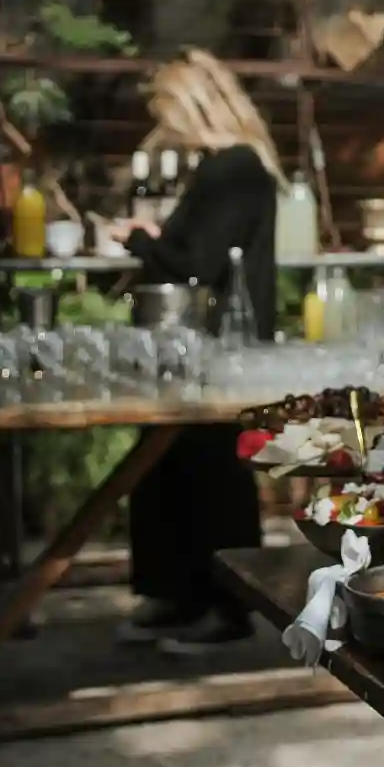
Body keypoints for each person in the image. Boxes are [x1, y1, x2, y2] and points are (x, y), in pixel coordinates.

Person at [108, 52, 279, 652]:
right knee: (169, 466)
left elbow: (198, 263)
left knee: (212, 473)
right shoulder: (226, 169)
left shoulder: (235, 170)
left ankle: (226, 607)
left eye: (168, 113)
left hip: (219, 347)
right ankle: (176, 593)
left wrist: (138, 240)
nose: (165, 127)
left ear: (192, 107)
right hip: (198, 346)